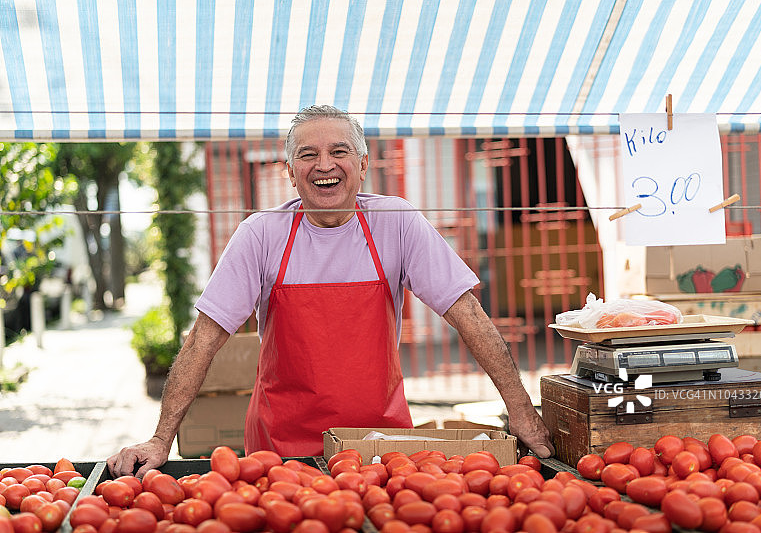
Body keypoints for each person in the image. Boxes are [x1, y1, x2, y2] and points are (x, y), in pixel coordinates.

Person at [108, 105, 554, 478]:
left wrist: (521, 410)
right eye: (308, 155)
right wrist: (160, 439)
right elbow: (203, 339)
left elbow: (468, 315)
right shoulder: (261, 235)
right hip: (281, 451)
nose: (324, 165)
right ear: (290, 172)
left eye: (339, 152)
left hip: (379, 446)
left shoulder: (396, 223)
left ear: (363, 165)